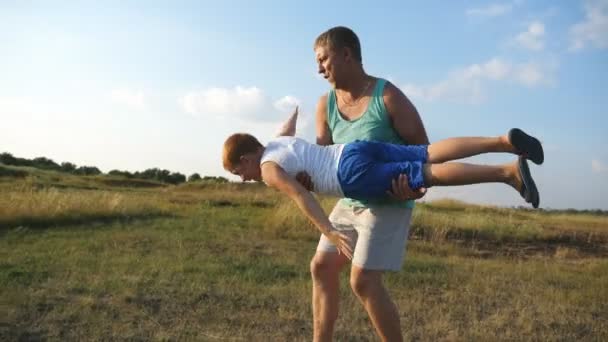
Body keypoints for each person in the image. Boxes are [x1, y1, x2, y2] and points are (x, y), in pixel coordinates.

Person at [222, 126, 542, 251]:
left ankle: (507, 173)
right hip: (352, 150)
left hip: (350, 175)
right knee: (427, 152)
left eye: (240, 170)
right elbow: (287, 128)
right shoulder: (278, 142)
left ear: (249, 157)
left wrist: (330, 231)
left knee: (426, 174)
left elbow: (300, 196)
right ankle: (502, 141)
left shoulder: (267, 170)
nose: (243, 177)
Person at [308, 26, 428, 341]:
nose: (319, 68)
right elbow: (322, 159)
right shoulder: (325, 105)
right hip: (349, 202)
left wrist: (415, 187)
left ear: (346, 54)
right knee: (321, 266)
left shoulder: (387, 96)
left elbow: (424, 151)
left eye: (323, 60)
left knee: (363, 281)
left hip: (388, 200)